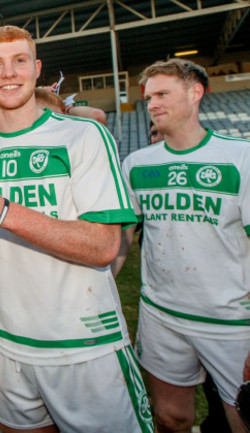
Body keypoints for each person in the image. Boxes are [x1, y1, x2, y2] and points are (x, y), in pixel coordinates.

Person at [0, 25, 153, 433]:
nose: (8, 73)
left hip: (85, 346)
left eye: (19, 61)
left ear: (36, 68)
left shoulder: (82, 135)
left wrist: (5, 212)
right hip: (8, 344)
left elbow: (103, 245)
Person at [112, 58, 250, 433]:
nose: (151, 104)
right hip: (161, 314)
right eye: (148, 96)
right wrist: (104, 285)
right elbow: (125, 236)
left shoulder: (240, 158)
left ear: (195, 93)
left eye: (162, 94)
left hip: (231, 320)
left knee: (243, 418)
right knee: (171, 417)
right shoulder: (137, 163)